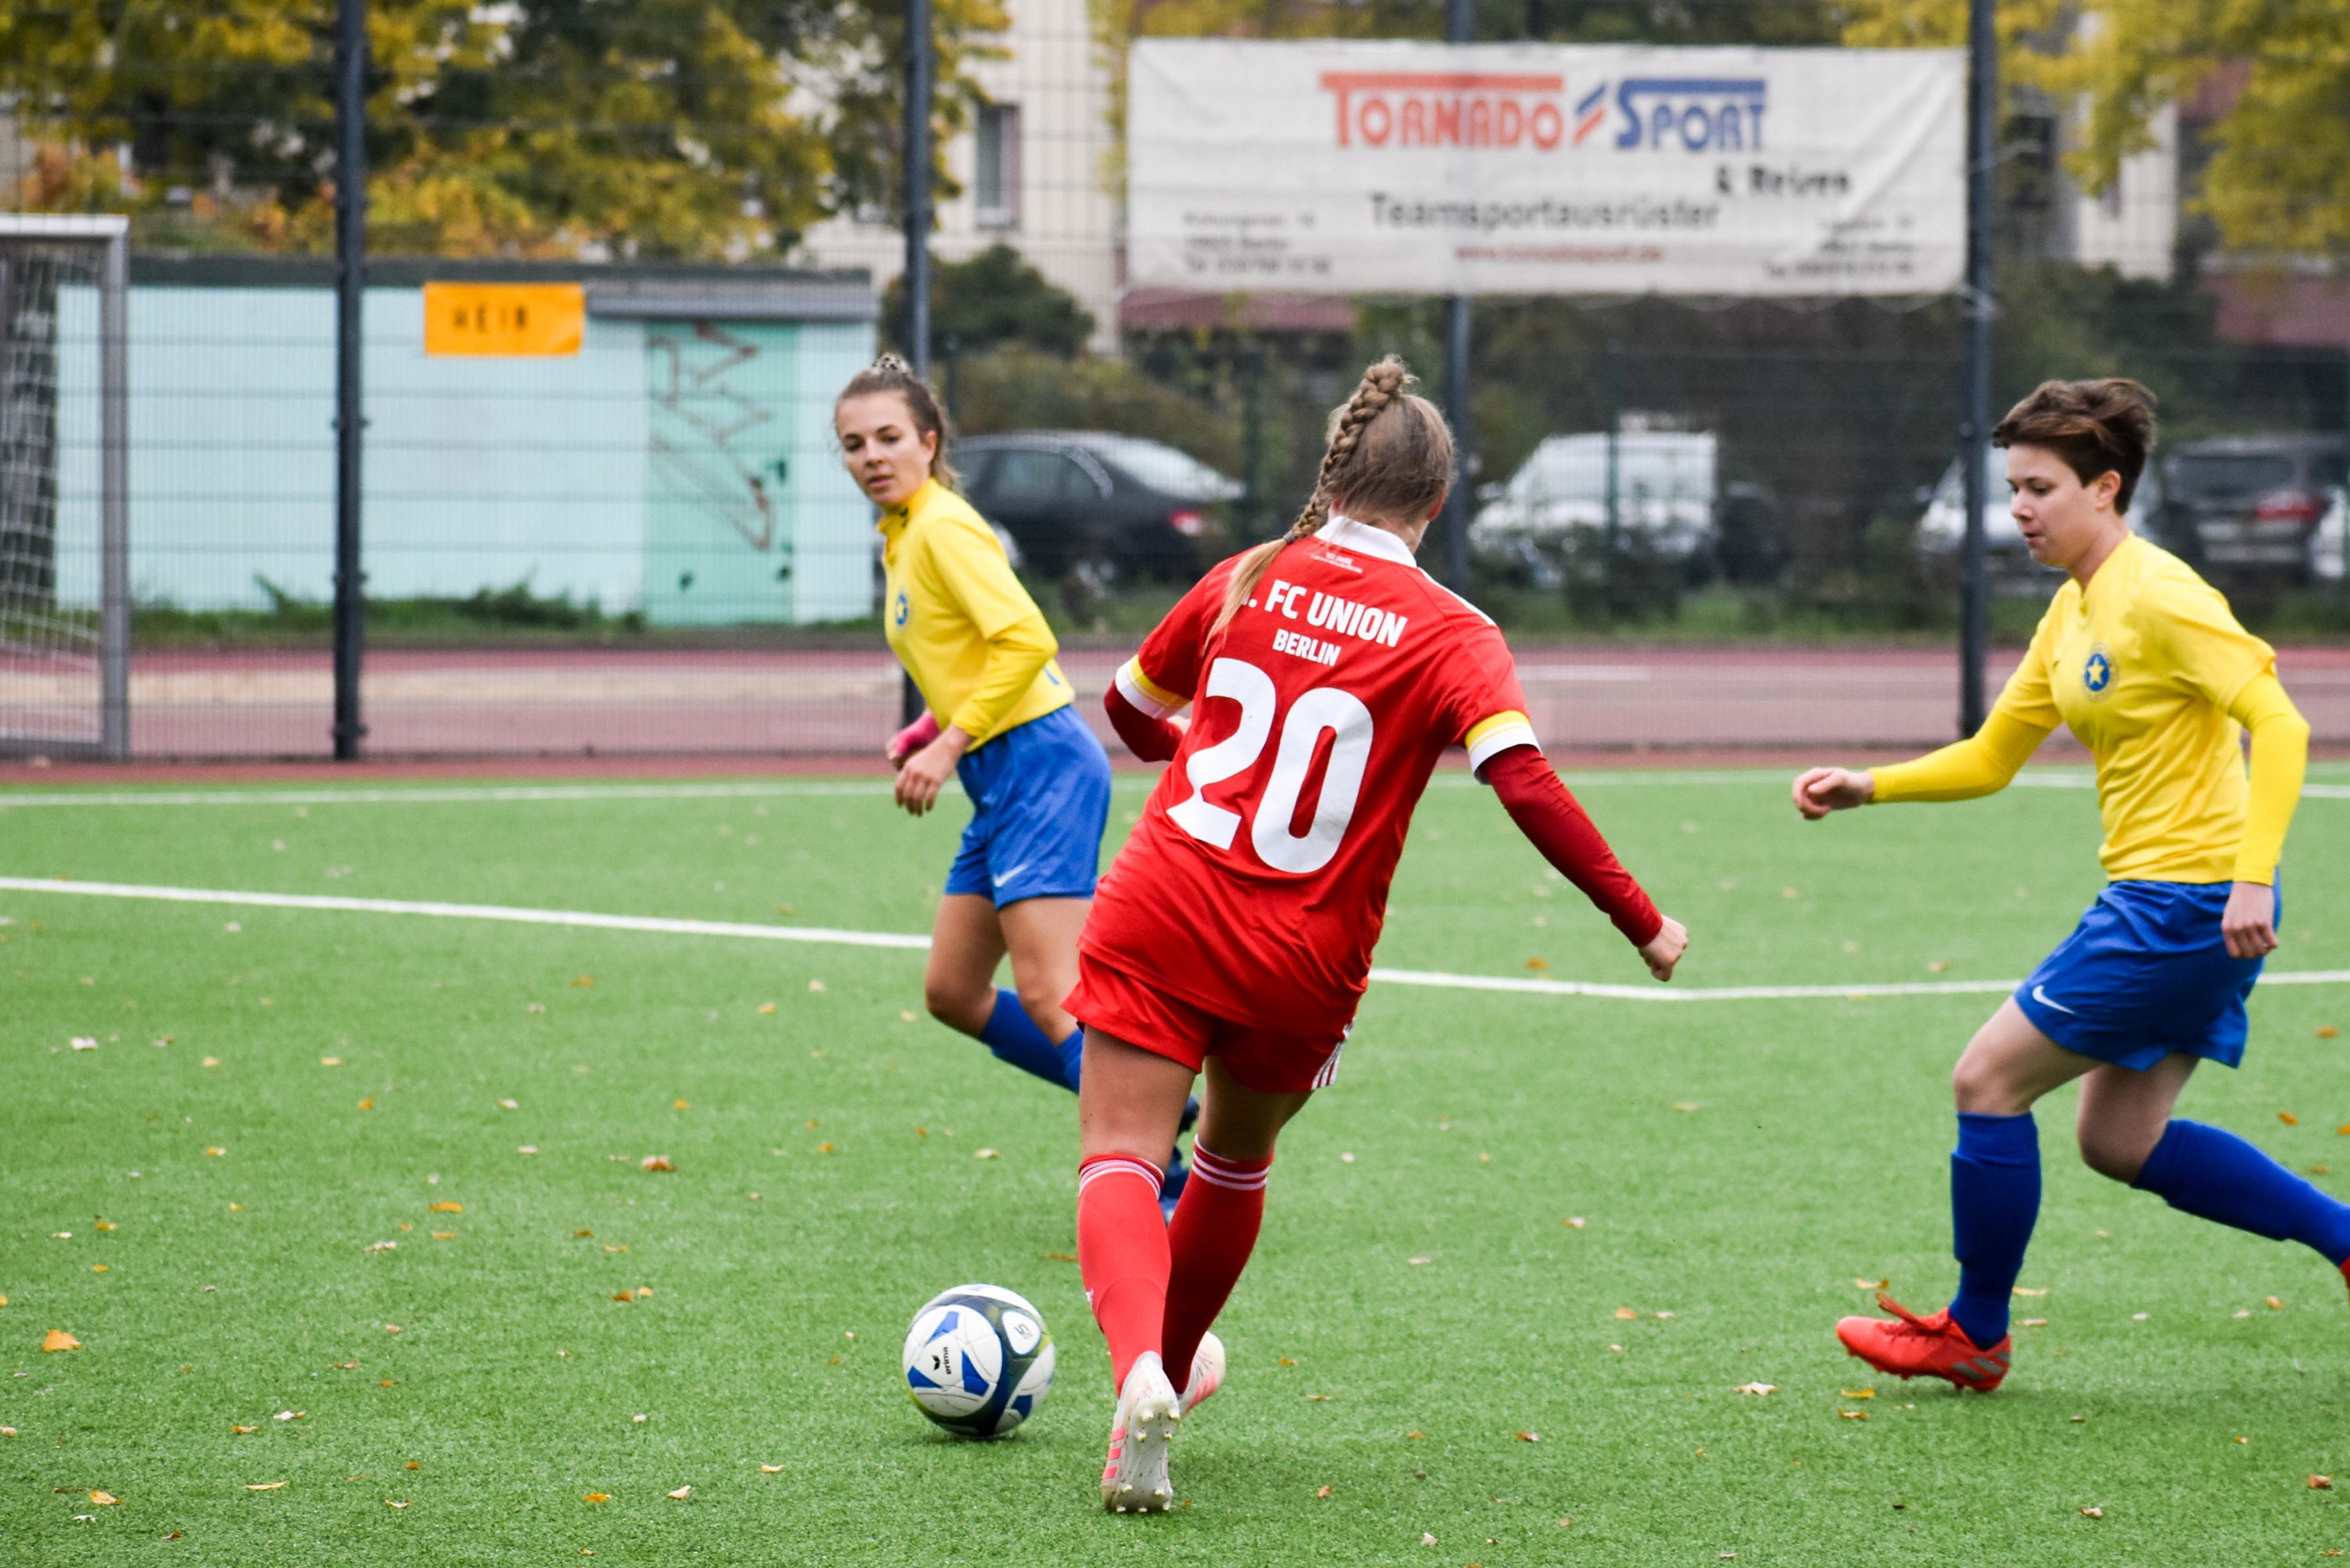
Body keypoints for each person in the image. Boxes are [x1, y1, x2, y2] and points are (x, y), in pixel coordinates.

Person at [1067, 357, 1690, 1512]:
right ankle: (1157, 1388)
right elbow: (1525, 783)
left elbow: (1129, 711)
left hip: (1165, 902)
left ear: (1335, 471)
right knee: (1231, 1162)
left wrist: (1200, 760)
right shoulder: (1456, 631)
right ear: (1437, 503)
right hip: (1302, 954)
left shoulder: (1249, 572)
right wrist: (1640, 918)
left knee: (1118, 1152)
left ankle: (1138, 1370)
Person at [1795, 378, 2326, 1392]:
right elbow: (1995, 757)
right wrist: (1869, 785)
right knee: (2119, 1139)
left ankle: (1974, 1333)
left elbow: (2284, 724)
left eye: (2040, 487)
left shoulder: (2163, 595)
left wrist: (2252, 878)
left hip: (2187, 904)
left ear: (2107, 488)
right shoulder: (2070, 611)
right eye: (2013, 489)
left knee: (1985, 1080)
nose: (2021, 509)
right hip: (2172, 903)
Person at [834, 355, 1191, 1211]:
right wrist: (929, 729)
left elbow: (1028, 641)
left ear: (929, 441)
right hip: (1004, 773)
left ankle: (1162, 1170)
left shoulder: (945, 527)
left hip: (1040, 763)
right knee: (953, 993)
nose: (872, 456)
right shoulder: (904, 532)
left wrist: (947, 742)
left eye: (889, 437)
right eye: (853, 444)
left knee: (1049, 991)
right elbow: (972, 657)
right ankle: (1157, 1116)